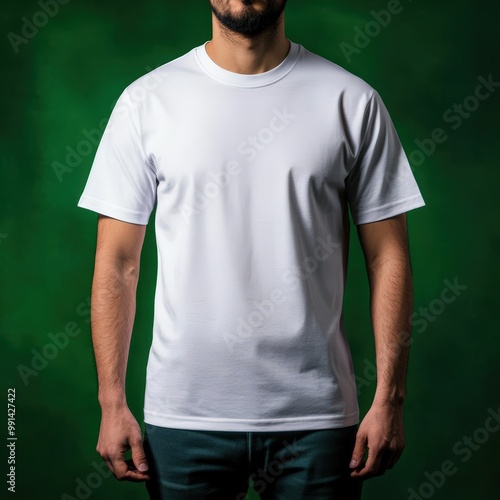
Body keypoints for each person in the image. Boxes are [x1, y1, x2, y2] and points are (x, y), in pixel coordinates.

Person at [77, 1, 425, 498]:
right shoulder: (147, 101)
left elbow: (388, 256)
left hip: (318, 420)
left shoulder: (350, 100)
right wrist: (112, 403)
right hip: (183, 415)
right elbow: (117, 262)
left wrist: (390, 398)